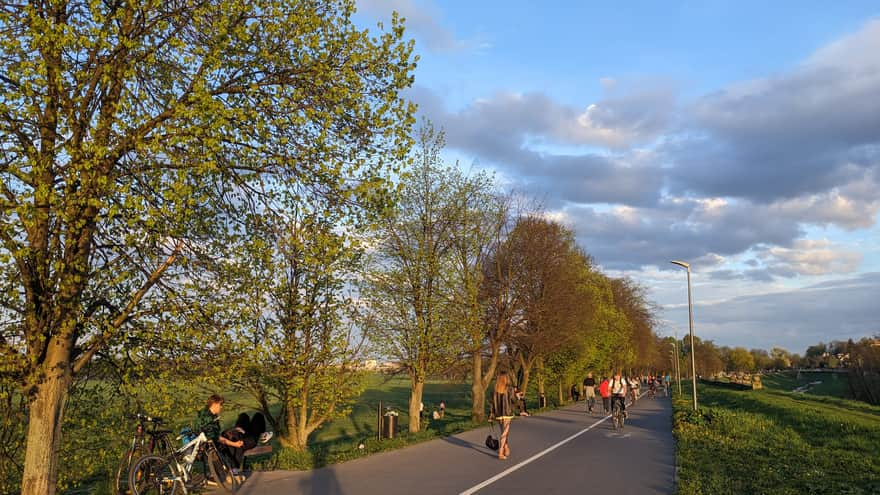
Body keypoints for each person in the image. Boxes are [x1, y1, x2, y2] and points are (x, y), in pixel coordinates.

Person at [193, 395, 245, 470]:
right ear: (214, 404)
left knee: (232, 435)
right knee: (231, 442)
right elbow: (215, 437)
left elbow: (215, 433)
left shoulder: (210, 414)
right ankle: (230, 471)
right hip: (206, 446)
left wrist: (233, 429)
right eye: (220, 405)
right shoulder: (208, 418)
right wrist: (235, 444)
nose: (221, 407)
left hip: (208, 441)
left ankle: (233, 469)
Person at [491, 370, 516, 460]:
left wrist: (491, 415)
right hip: (507, 413)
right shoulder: (509, 389)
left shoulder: (495, 389)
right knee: (505, 433)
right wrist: (517, 396)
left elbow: (492, 404)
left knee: (503, 432)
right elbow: (513, 400)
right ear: (506, 378)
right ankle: (501, 452)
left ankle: (506, 447)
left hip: (498, 414)